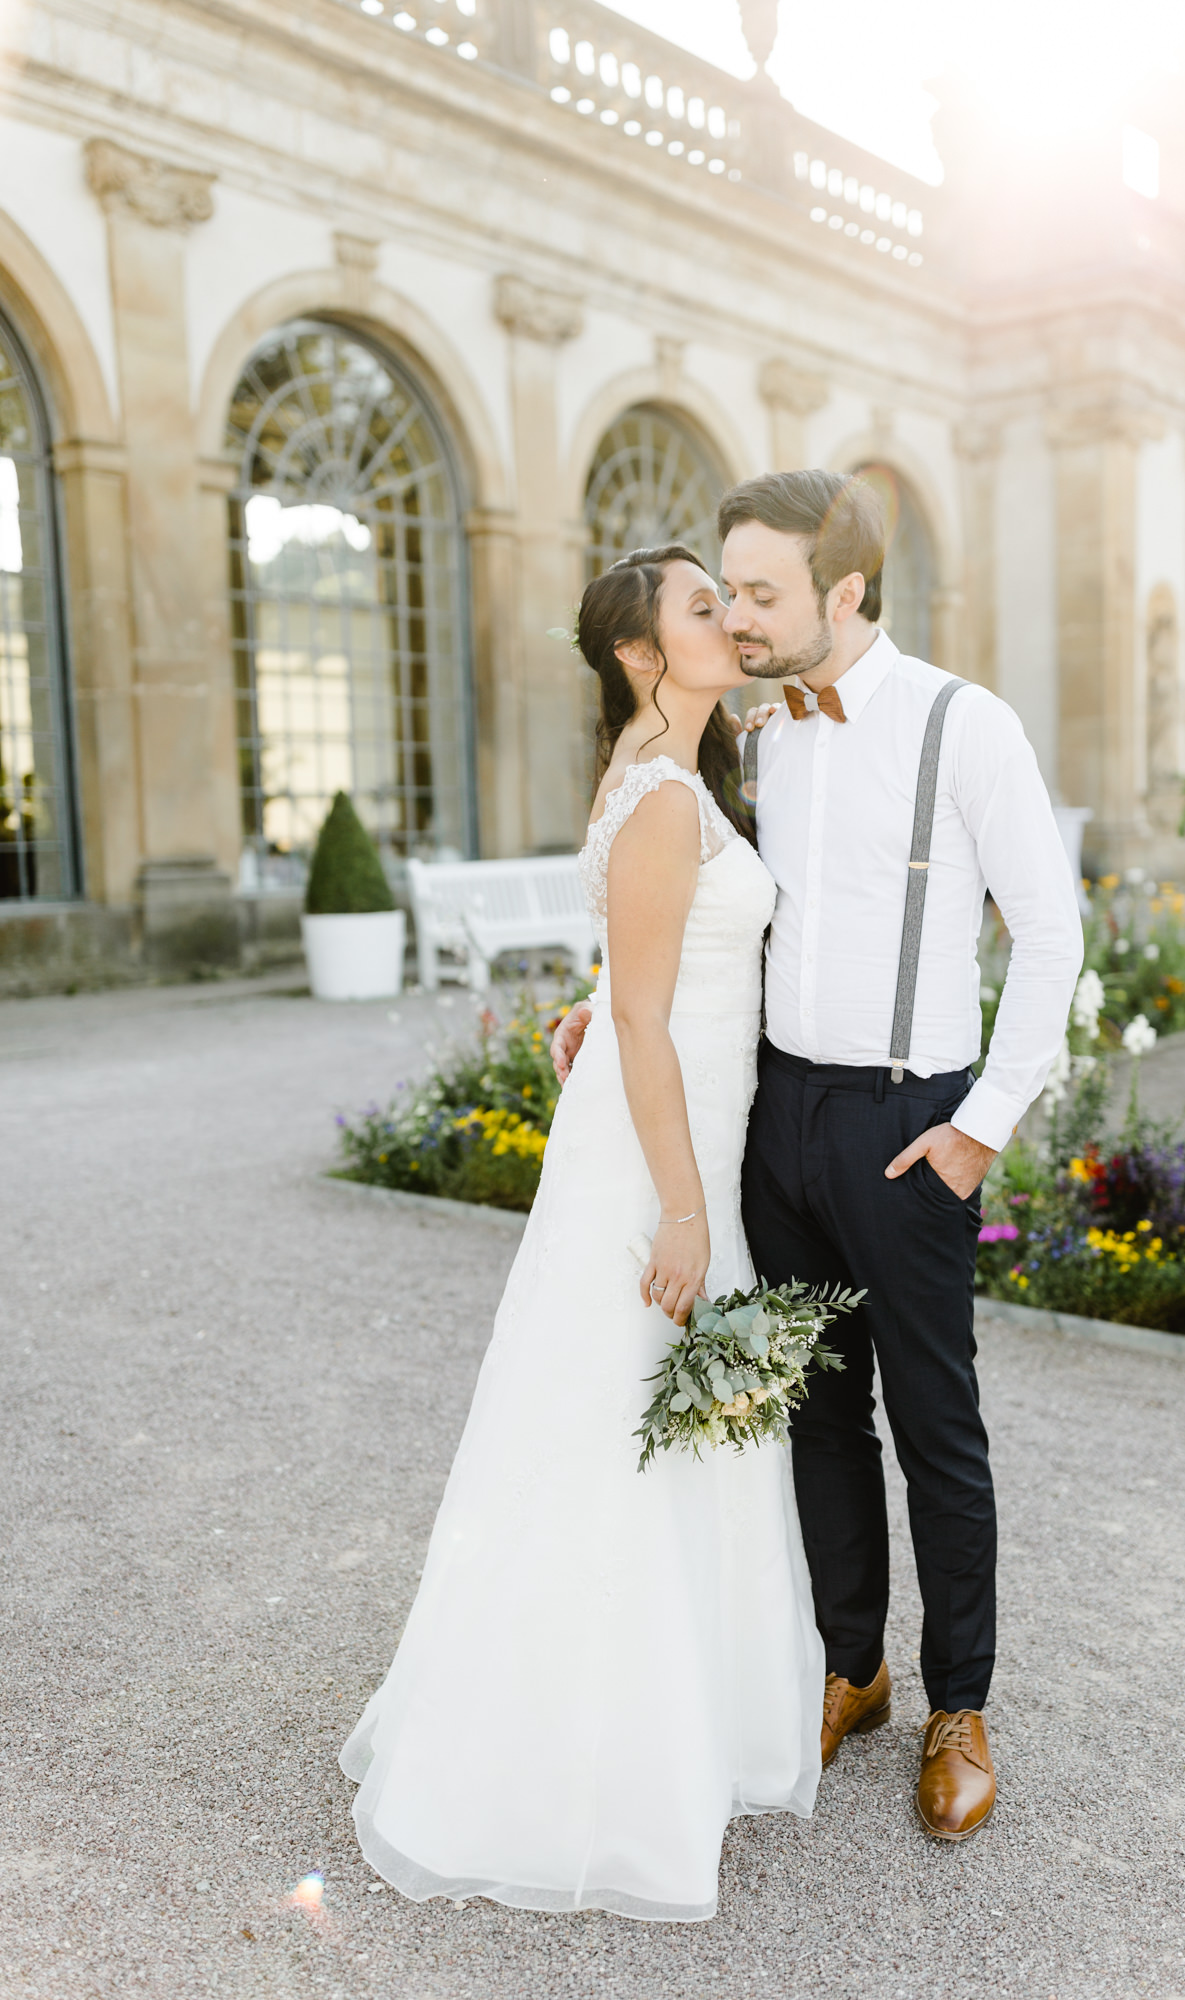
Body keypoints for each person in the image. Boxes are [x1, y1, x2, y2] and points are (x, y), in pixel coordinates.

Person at [554, 472, 1084, 1842]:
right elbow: (699, 900)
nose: (735, 616)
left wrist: (978, 1131)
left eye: (762, 592)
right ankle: (852, 1663)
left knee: (933, 1423)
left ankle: (957, 1704)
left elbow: (1050, 931)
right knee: (811, 1409)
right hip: (774, 1115)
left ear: (843, 594)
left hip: (909, 1125)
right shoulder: (758, 733)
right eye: (722, 591)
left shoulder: (965, 725)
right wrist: (602, 999)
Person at [339, 544, 824, 1921]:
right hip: (661, 1152)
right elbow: (646, 1015)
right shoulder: (664, 795)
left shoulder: (655, 770)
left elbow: (633, 967)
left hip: (668, 1123)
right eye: (698, 607)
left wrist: (599, 1001)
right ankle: (590, 1754)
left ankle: (667, 1721)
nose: (727, 619)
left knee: (637, 1420)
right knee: (629, 1418)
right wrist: (681, 1208)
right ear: (636, 652)